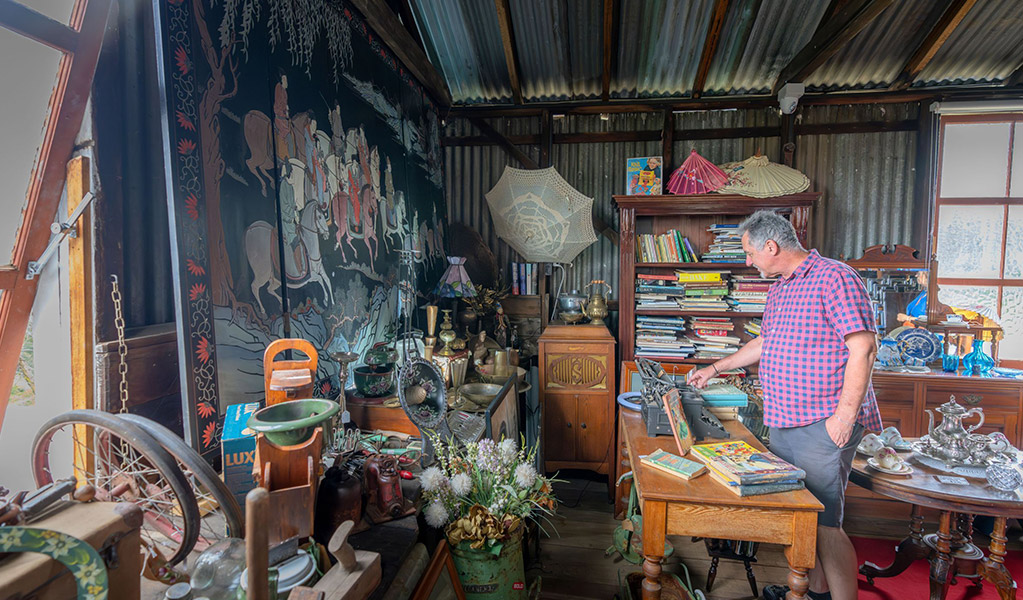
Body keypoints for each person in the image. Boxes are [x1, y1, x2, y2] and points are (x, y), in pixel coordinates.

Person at [689, 210, 882, 600]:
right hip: (786, 419)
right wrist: (714, 367)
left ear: (771, 247)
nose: (748, 262)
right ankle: (816, 593)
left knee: (825, 523)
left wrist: (843, 419)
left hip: (824, 420)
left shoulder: (835, 277)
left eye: (749, 253)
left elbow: (863, 348)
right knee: (802, 519)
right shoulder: (780, 287)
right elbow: (764, 344)